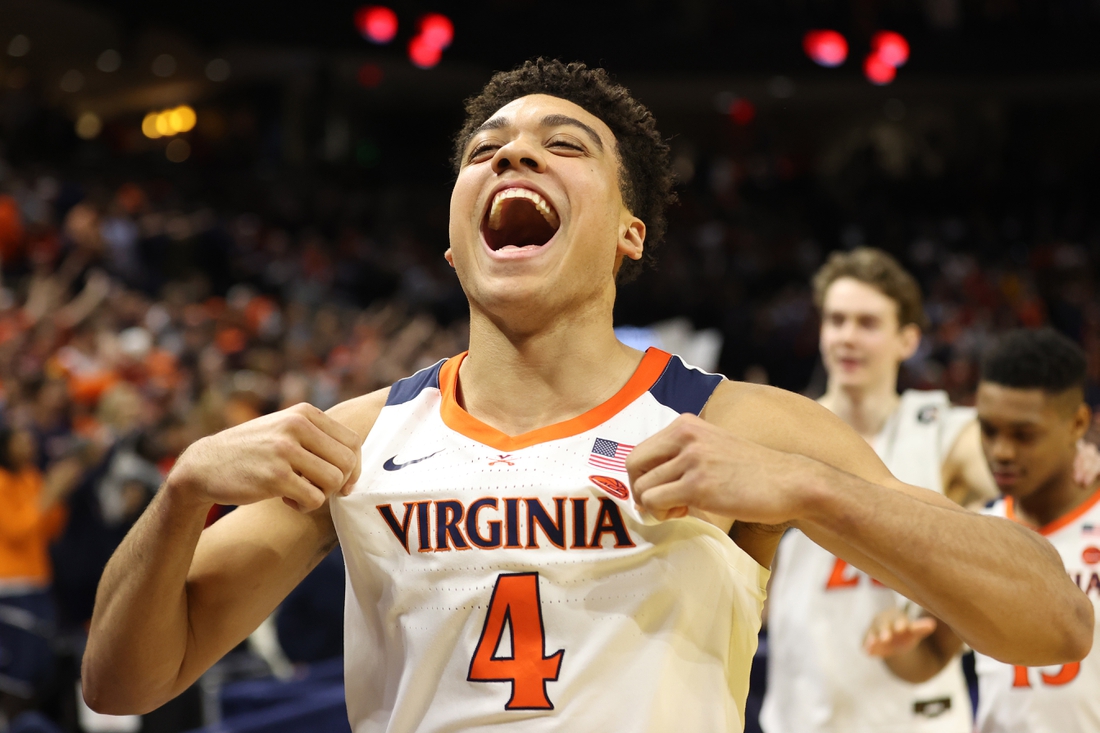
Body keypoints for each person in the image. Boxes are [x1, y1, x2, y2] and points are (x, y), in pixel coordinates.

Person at [80, 59, 1093, 732]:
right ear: (451, 237)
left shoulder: (734, 423)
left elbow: (1050, 618)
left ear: (627, 231)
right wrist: (178, 498)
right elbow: (121, 682)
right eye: (485, 150)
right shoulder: (357, 439)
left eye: (564, 145)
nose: (511, 153)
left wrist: (805, 488)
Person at [761, 248, 995, 733]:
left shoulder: (942, 429)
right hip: (804, 705)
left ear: (907, 339)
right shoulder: (779, 430)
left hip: (917, 710)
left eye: (867, 323)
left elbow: (1017, 476)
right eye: (836, 320)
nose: (847, 336)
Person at [864, 327, 1100, 732]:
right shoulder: (980, 528)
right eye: (989, 431)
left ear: (1078, 423)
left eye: (1024, 435)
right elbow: (930, 655)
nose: (1002, 452)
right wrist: (896, 645)